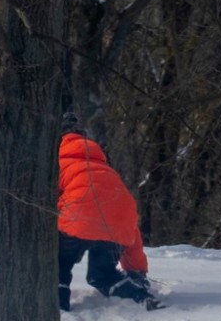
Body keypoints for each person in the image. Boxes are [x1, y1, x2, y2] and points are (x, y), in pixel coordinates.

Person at [57, 122, 162, 311]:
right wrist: (136, 271)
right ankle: (141, 297)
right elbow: (127, 223)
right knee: (102, 276)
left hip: (77, 220)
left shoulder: (58, 165)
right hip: (116, 230)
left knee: (59, 266)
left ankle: (58, 305)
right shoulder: (107, 171)